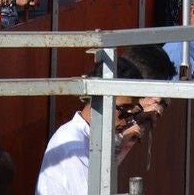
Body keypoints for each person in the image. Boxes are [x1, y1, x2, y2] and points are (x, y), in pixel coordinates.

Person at [35, 47, 175, 195]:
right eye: (124, 109)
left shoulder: (92, 137)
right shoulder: (73, 146)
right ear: (100, 99)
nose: (128, 119)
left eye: (134, 111)